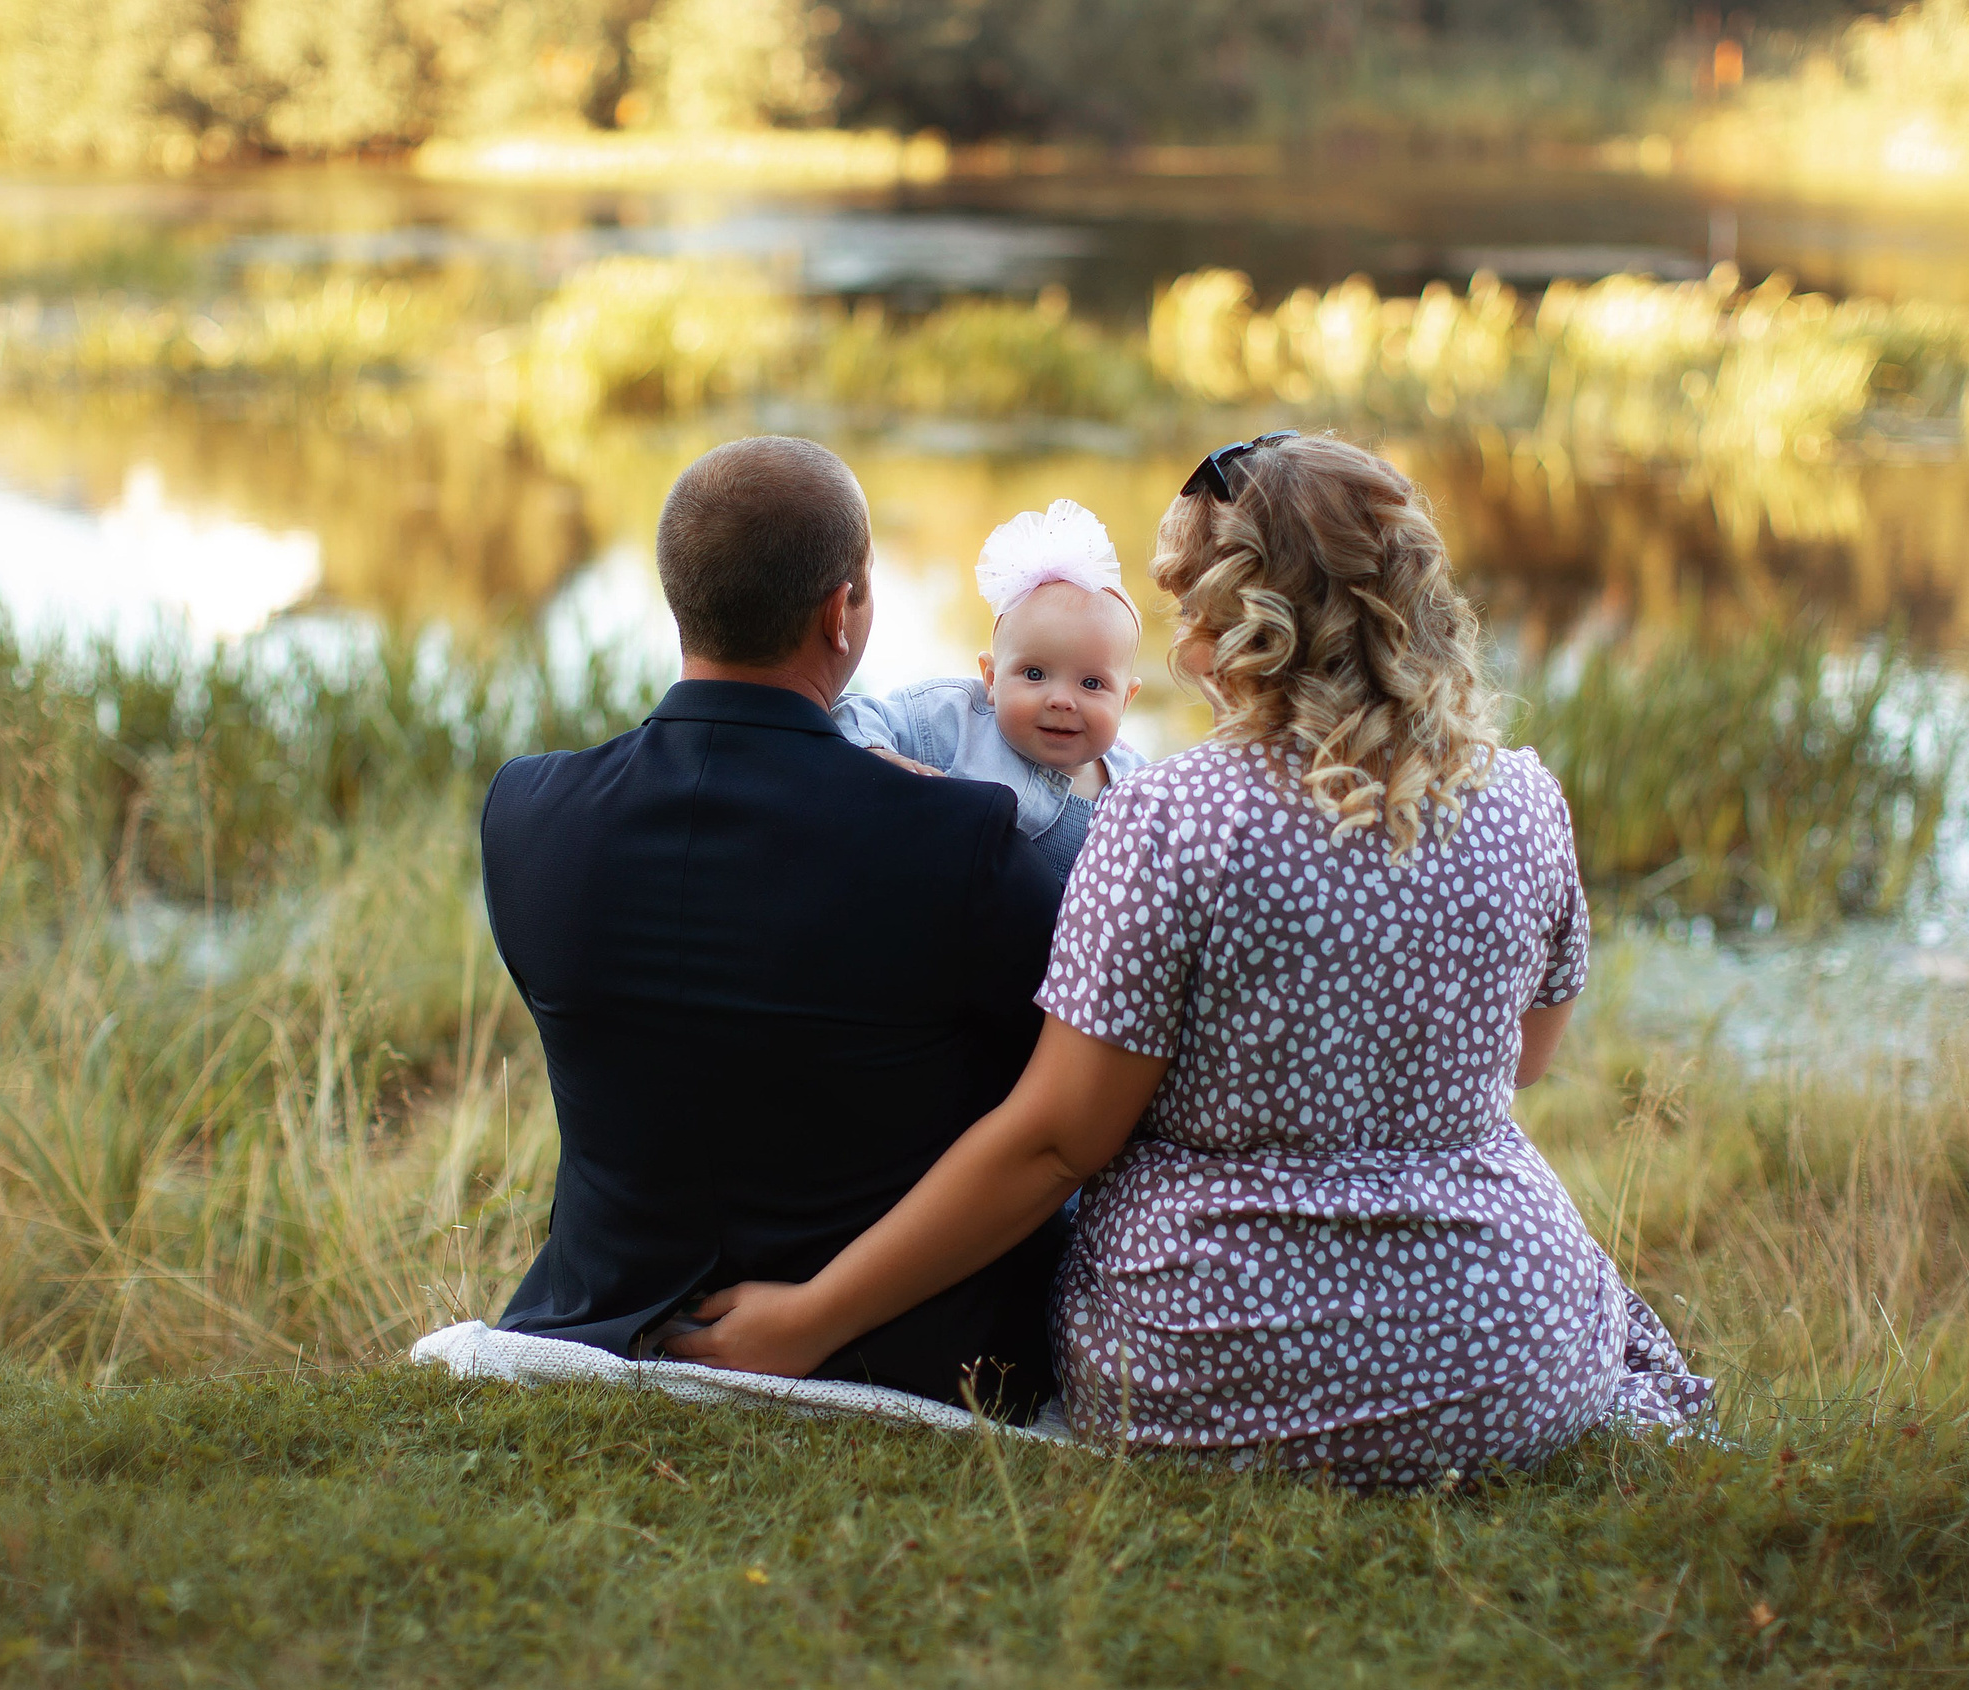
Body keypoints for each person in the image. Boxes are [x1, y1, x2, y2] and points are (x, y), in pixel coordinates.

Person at [668, 432, 1714, 1486]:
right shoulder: (1524, 798)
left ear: (1237, 624)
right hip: (1501, 1364)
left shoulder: (1169, 817)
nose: (1184, 646)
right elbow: (1526, 1058)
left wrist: (808, 1320)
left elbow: (1054, 1146)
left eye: (1187, 607)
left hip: (1210, 1365)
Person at [480, 435, 1067, 1417]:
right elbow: (1057, 1114)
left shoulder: (526, 815)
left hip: (601, 1323)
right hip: (910, 1359)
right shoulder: (961, 840)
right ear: (841, 612)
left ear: (681, 600)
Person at [832, 500, 1145, 882]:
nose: (1061, 700)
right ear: (992, 679)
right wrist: (878, 754)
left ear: (1126, 700)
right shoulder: (953, 718)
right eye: (1033, 674)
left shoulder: (1138, 788)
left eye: (1091, 684)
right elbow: (851, 713)